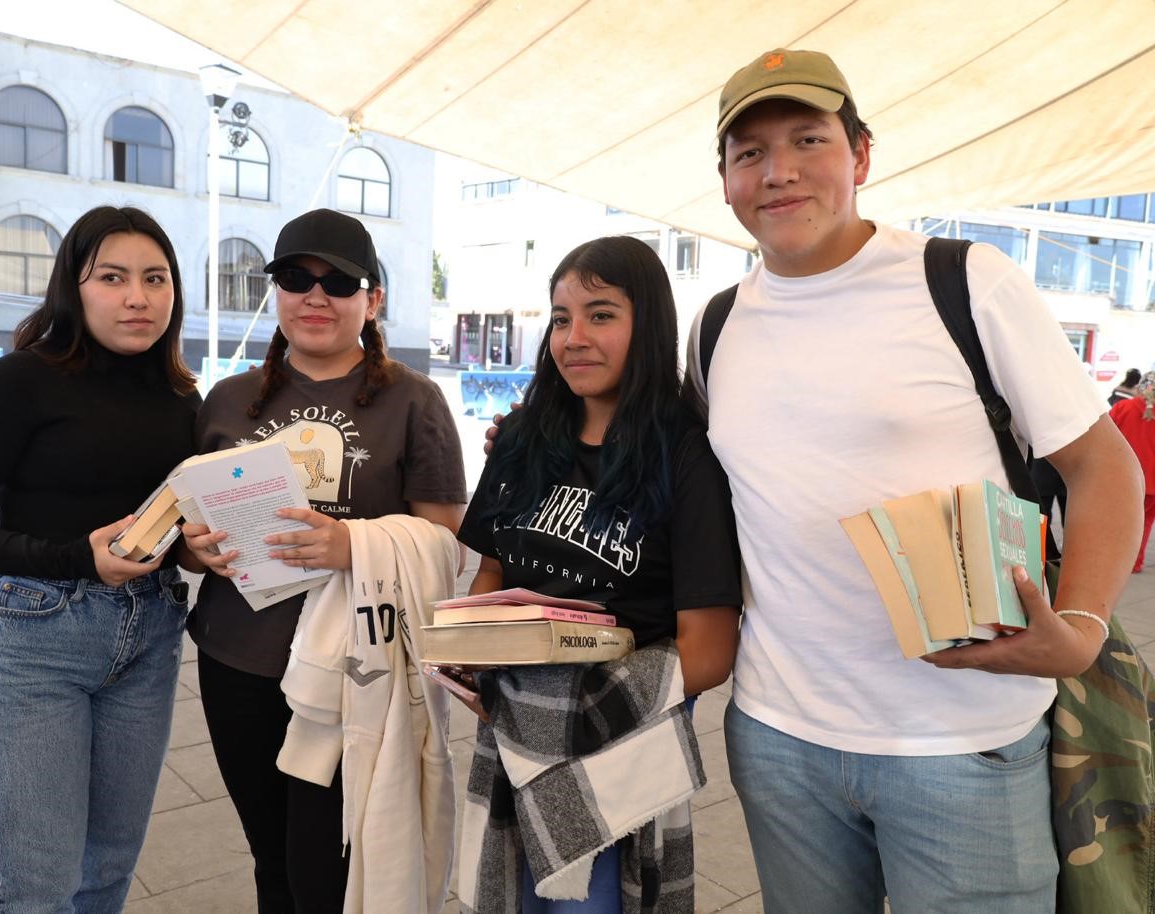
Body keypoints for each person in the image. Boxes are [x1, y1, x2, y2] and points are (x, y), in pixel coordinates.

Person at [682, 48, 1142, 913]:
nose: (778, 171)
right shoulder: (715, 327)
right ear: (727, 181)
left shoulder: (965, 282)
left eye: (808, 139)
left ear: (860, 155)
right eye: (750, 152)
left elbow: (1102, 464)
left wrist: (1081, 626)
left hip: (962, 739)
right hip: (780, 737)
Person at [178, 207, 467, 914]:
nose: (315, 296)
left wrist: (352, 545)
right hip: (237, 662)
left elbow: (444, 542)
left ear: (373, 300)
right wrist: (195, 548)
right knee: (270, 859)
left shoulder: (413, 401)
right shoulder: (228, 399)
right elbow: (184, 527)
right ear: (274, 292)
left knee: (326, 870)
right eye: (295, 279)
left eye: (339, 282)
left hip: (352, 672)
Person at [0, 206, 200, 913]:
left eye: (155, 278)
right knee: (39, 881)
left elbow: (180, 518)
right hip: (37, 637)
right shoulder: (17, 382)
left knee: (108, 867)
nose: (137, 297)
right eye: (113, 277)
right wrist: (77, 559)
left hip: (151, 635)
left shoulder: (181, 396)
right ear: (74, 287)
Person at [460, 235, 742, 912]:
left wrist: (569, 708)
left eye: (601, 315)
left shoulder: (687, 456)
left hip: (621, 751)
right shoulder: (521, 440)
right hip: (510, 737)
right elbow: (490, 573)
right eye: (561, 319)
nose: (574, 338)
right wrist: (469, 655)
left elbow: (710, 650)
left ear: (649, 324)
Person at [1110, 373, 1155, 572]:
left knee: (1119, 519)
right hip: (1152, 483)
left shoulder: (1123, 408)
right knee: (1145, 522)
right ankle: (1135, 562)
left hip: (1124, 478)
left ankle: (1114, 558)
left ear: (1140, 387)